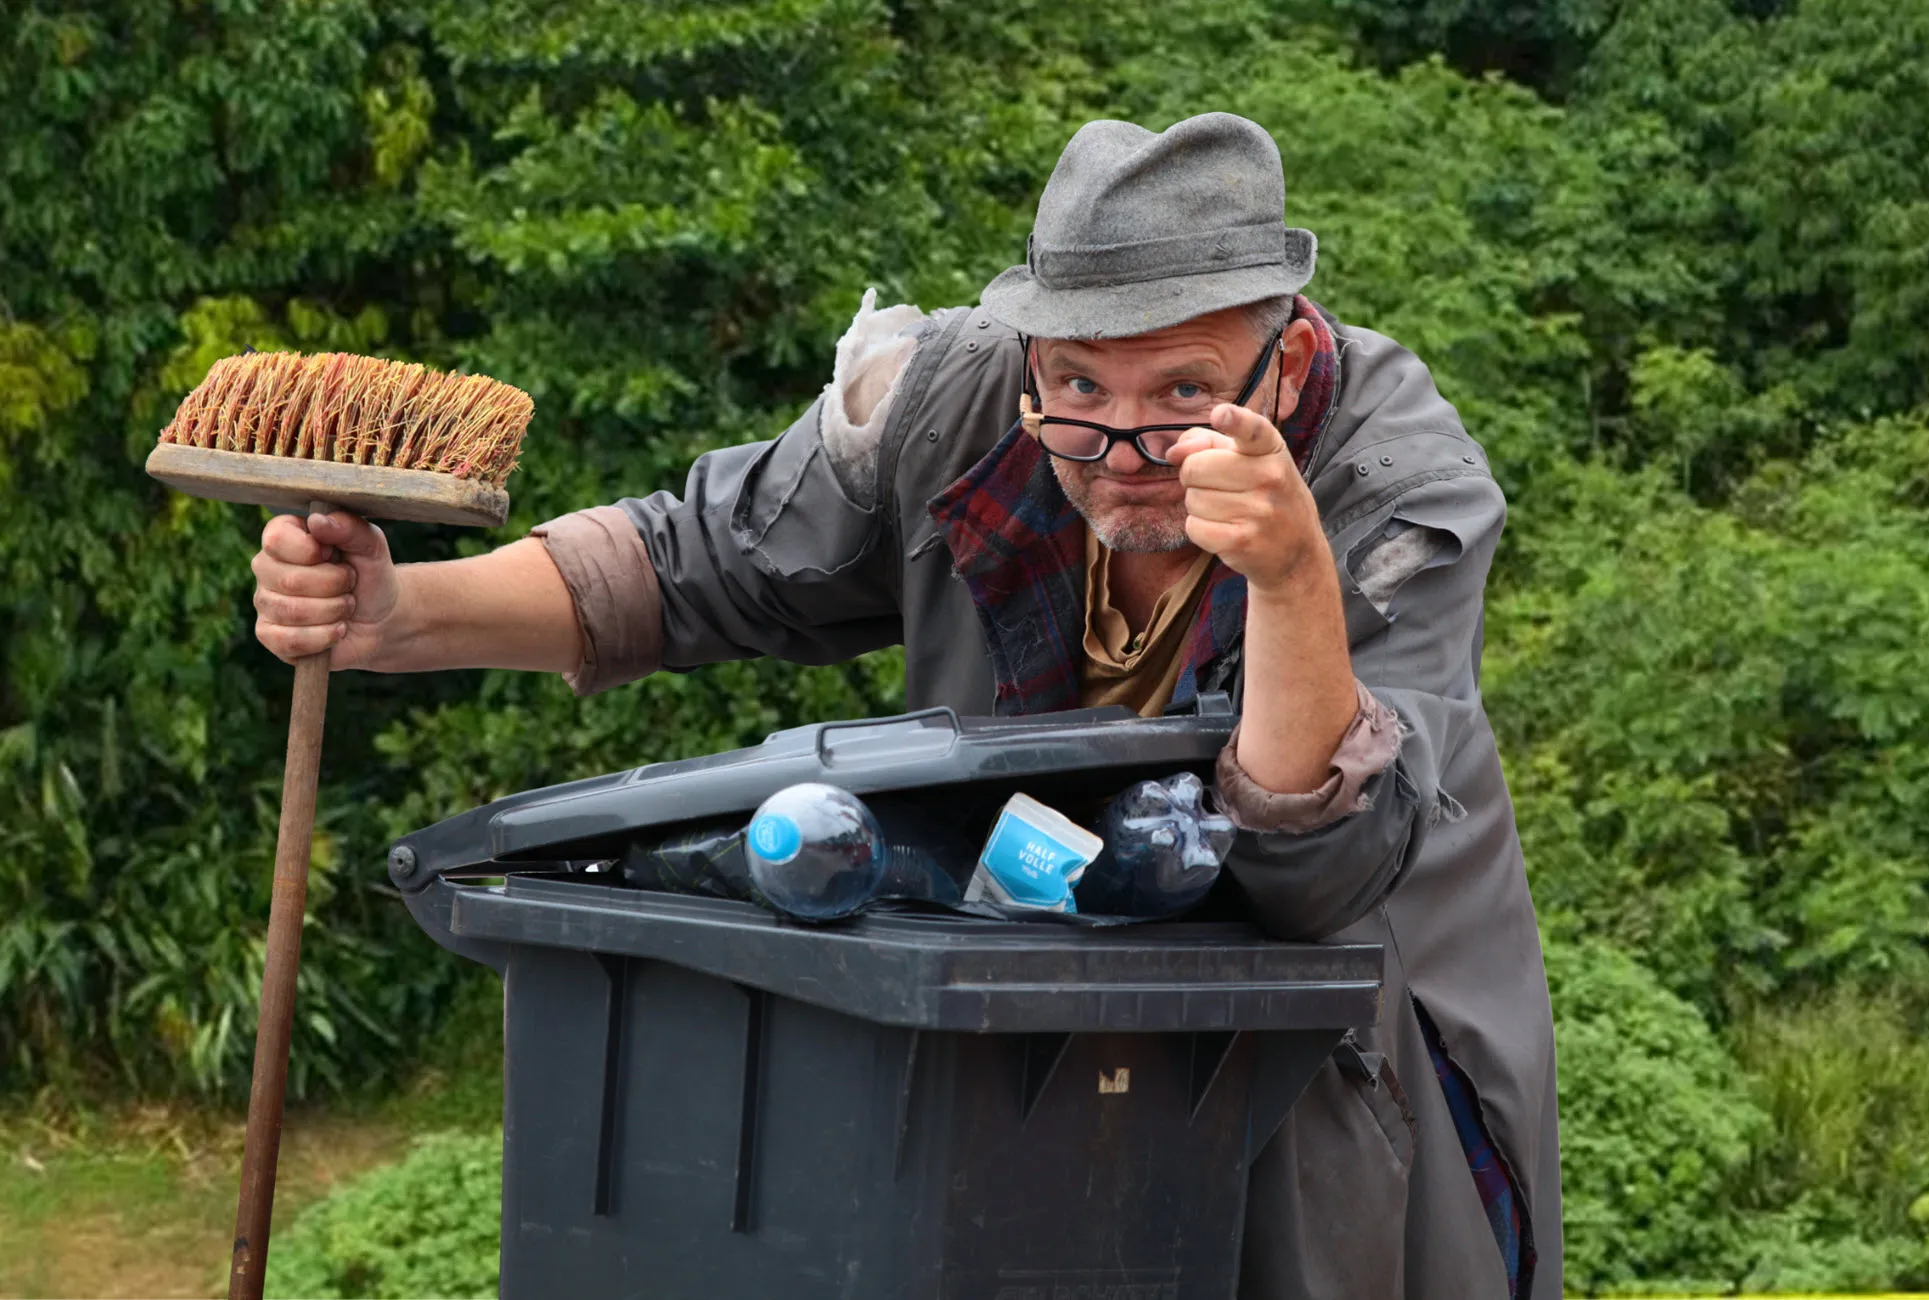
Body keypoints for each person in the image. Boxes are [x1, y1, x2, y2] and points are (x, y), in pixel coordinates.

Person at [249, 112, 1559, 1299]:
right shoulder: (960, 400)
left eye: (1184, 392)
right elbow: (697, 560)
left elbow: (1317, 863)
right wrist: (403, 615)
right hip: (1014, 1022)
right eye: (1080, 388)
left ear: (1290, 355)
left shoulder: (1397, 485)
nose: (1125, 448)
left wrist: (1287, 575)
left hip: (1327, 1057)